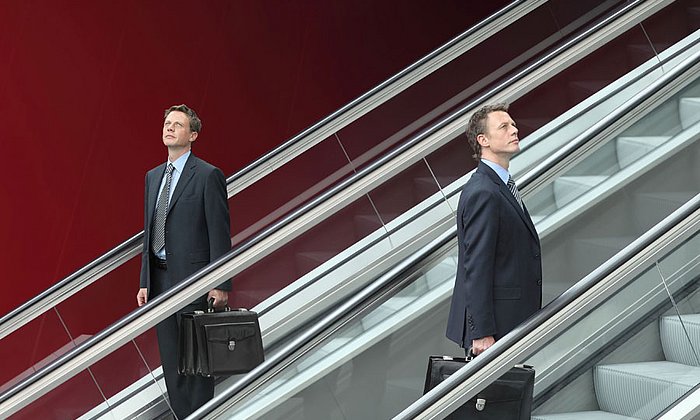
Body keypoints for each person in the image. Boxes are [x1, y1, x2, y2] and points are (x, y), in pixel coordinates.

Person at [137, 104, 231, 418]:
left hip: (194, 281)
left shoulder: (207, 175)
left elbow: (219, 232)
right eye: (166, 123)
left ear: (192, 135)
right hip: (160, 281)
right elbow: (149, 231)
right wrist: (145, 282)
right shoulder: (152, 177)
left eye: (177, 124)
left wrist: (220, 283)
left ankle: (202, 414)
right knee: (172, 361)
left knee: (197, 361)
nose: (169, 128)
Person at [446, 103, 542, 356]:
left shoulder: (498, 185)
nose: (515, 129)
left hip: (509, 320)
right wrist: (481, 331)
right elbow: (476, 264)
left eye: (513, 124)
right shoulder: (484, 192)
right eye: (504, 126)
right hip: (496, 329)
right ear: (483, 140)